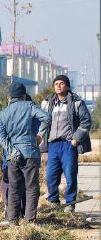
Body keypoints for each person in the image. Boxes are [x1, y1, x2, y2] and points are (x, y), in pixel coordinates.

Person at [0, 82, 51, 225]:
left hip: (12, 156)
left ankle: (12, 221)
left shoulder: (4, 112)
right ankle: (29, 221)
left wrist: (11, 149)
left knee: (14, 188)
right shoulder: (29, 106)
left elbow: (1, 136)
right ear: (24, 95)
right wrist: (39, 135)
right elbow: (47, 118)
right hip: (30, 153)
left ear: (10, 96)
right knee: (31, 188)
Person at [40, 75, 92, 212]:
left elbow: (86, 121)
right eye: (56, 83)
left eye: (61, 83)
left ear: (67, 86)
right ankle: (54, 201)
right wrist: (43, 148)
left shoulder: (76, 102)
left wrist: (76, 139)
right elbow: (42, 125)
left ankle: (70, 203)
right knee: (51, 176)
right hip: (53, 145)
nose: (58, 86)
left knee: (70, 175)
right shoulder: (47, 103)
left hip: (69, 144)